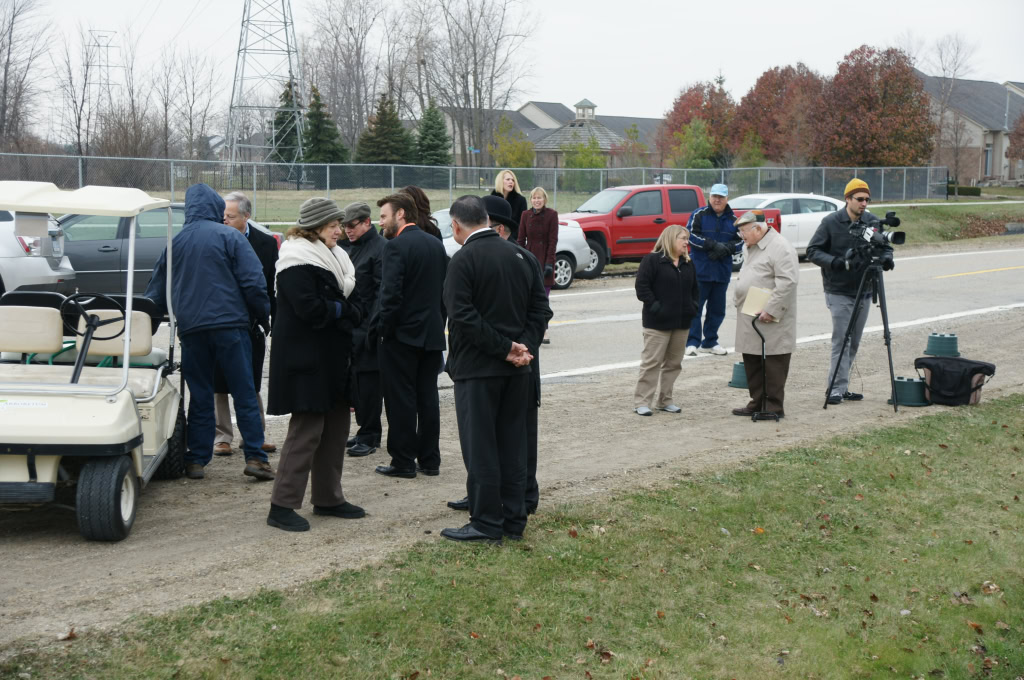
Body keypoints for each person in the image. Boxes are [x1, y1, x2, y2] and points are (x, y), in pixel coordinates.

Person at [440, 195, 550, 545]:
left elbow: (462, 317)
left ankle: (487, 521)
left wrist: (507, 349)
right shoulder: (522, 256)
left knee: (482, 446)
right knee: (512, 444)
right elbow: (540, 311)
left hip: (479, 369)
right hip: (519, 369)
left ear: (457, 225)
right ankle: (514, 519)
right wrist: (523, 347)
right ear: (487, 219)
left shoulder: (463, 259)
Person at [145, 183, 272, 481]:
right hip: (231, 326)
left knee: (200, 394)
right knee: (244, 392)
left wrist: (145, 330)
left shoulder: (173, 243)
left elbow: (155, 293)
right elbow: (253, 282)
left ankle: (196, 459)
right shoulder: (231, 237)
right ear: (216, 209)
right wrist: (262, 316)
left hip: (191, 330)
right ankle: (255, 456)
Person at [265, 197, 364, 532]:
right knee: (306, 432)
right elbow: (310, 309)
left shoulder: (338, 259)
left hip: (334, 359)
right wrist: (343, 311)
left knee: (336, 430)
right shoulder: (295, 260)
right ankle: (282, 505)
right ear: (316, 227)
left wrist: (341, 310)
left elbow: (355, 304)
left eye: (340, 224)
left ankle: (328, 497)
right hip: (306, 361)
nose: (341, 230)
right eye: (335, 225)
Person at [374, 192, 448, 478]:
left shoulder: (395, 247)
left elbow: (390, 296)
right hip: (431, 333)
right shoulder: (434, 243)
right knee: (427, 397)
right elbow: (443, 293)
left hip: (402, 336)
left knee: (400, 399)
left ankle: (403, 460)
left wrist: (384, 330)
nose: (381, 222)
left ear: (401, 214)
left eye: (384, 216)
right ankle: (430, 460)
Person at [806, 178, 894, 405]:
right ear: (848, 199)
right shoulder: (831, 222)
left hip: (865, 289)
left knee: (853, 342)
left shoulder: (872, 221)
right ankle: (834, 388)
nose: (864, 203)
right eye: (859, 199)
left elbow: (885, 246)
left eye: (867, 199)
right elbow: (813, 251)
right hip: (838, 290)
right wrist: (837, 262)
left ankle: (843, 386)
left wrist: (886, 258)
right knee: (841, 341)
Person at [212, 191, 279, 457]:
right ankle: (222, 437)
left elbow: (271, 285)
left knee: (250, 380)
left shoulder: (265, 243)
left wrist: (269, 319)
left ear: (246, 216)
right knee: (219, 381)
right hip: (221, 318)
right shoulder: (215, 238)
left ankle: (255, 434)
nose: (224, 220)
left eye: (230, 216)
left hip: (252, 323)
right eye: (223, 215)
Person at [731, 212, 799, 418]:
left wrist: (772, 309)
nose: (741, 236)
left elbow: (788, 282)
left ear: (758, 229)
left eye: (744, 231)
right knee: (752, 359)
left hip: (771, 316)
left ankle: (773, 406)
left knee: (774, 361)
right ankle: (757, 401)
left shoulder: (780, 247)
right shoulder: (751, 245)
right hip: (750, 314)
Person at [632, 224, 699, 416]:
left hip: (682, 323)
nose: (687, 242)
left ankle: (665, 400)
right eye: (683, 238)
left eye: (687, 238)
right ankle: (642, 401)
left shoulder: (688, 262)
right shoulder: (652, 260)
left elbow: (695, 289)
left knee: (673, 364)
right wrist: (655, 307)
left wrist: (693, 307)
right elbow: (642, 288)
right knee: (652, 362)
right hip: (657, 323)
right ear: (670, 239)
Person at [342, 201, 386, 458]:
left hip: (368, 327)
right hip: (354, 325)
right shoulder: (354, 247)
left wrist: (371, 326)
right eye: (345, 226)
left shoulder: (378, 248)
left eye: (352, 225)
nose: (348, 230)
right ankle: (364, 429)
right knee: (357, 384)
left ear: (367, 222)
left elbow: (381, 291)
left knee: (369, 385)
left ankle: (371, 434)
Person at [685, 183, 741, 357]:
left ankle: (710, 341)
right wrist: (711, 245)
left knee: (717, 310)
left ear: (726, 199)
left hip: (722, 272)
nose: (717, 200)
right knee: (695, 308)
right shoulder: (699, 215)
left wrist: (726, 248)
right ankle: (692, 342)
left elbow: (742, 241)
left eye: (721, 197)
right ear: (710, 197)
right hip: (700, 270)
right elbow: (690, 236)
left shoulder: (734, 220)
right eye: (715, 196)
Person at [517, 186, 558, 344]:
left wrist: (549, 263)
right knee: (526, 297)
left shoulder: (552, 215)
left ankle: (544, 330)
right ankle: (527, 329)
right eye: (534, 198)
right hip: (529, 258)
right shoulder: (525, 215)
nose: (536, 201)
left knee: (543, 298)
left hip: (545, 260)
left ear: (544, 199)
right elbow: (521, 240)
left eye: (539, 198)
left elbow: (553, 242)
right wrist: (519, 258)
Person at [491, 169, 527, 240]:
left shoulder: (521, 200)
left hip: (513, 240)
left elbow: (522, 224)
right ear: (500, 181)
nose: (511, 182)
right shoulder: (492, 199)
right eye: (508, 179)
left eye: (513, 180)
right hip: (494, 238)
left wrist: (510, 238)